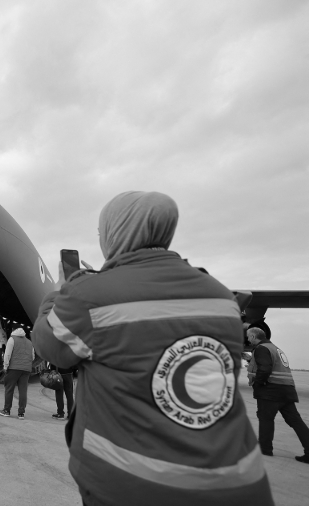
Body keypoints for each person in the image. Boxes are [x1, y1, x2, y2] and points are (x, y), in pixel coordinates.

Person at [32, 191, 272, 506]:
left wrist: (64, 289)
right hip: (238, 480)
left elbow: (50, 345)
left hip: (136, 485)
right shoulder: (220, 295)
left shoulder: (90, 295)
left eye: (102, 232)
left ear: (118, 232)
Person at [246, 326, 309, 463]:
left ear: (253, 337)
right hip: (286, 390)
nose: (247, 339)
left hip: (270, 391)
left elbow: (265, 368)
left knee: (266, 419)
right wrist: (249, 359)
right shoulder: (274, 348)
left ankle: (265, 449)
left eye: (248, 336)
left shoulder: (261, 349)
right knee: (296, 421)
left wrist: (258, 383)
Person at [0, 327, 34, 419]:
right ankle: (21, 413)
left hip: (14, 368)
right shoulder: (29, 342)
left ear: (13, 331)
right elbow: (33, 357)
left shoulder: (12, 339)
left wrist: (5, 366)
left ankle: (6, 410)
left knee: (9, 389)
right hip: (26, 369)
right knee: (23, 391)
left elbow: (7, 354)